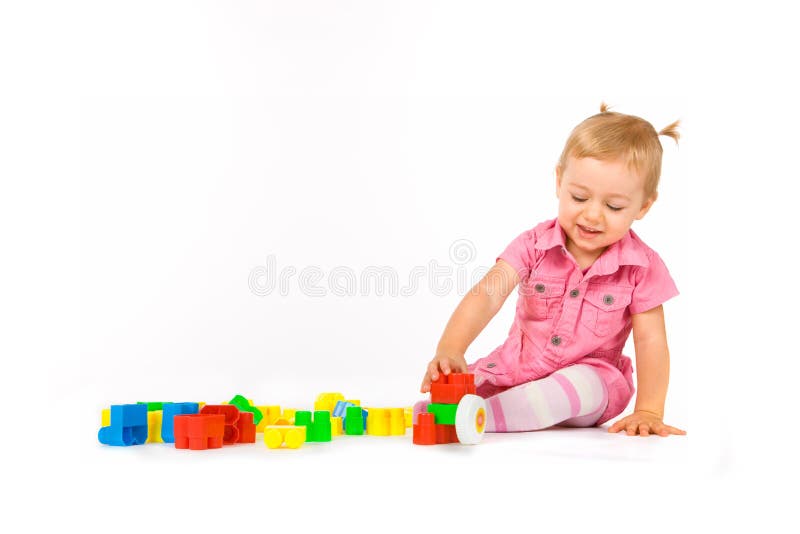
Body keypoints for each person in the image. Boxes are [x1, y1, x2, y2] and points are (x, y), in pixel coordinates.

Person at [417, 103, 686, 437]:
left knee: (575, 386)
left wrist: (649, 410)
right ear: (560, 182)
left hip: (592, 383)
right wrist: (450, 350)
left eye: (614, 206)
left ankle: (483, 418)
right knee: (449, 396)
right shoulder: (532, 245)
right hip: (519, 370)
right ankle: (461, 411)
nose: (592, 215)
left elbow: (651, 340)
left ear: (643, 206)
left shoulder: (642, 267)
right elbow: (487, 295)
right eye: (579, 197)